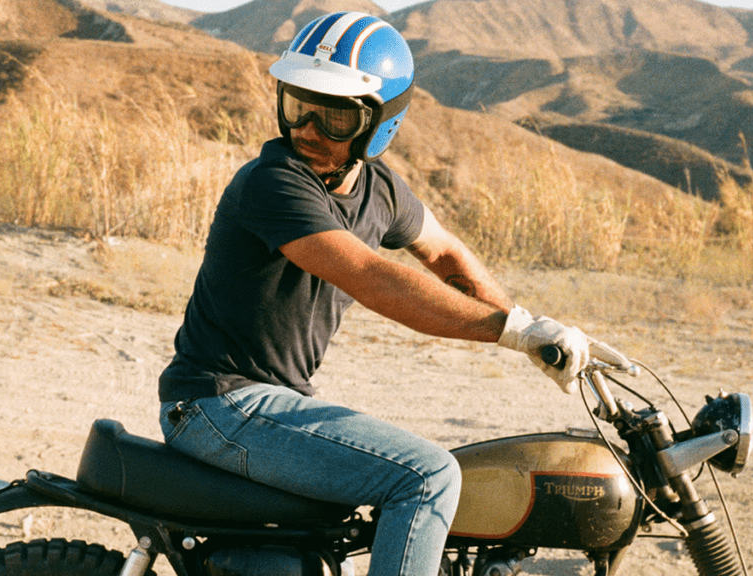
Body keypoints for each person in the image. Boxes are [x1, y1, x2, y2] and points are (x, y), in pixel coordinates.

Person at [157, 11, 626, 576]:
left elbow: (447, 254)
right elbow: (369, 275)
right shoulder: (273, 182)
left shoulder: (379, 190)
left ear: (379, 123)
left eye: (331, 116)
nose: (306, 128)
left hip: (273, 402)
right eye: (295, 105)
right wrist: (514, 333)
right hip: (219, 403)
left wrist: (529, 327)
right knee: (426, 475)